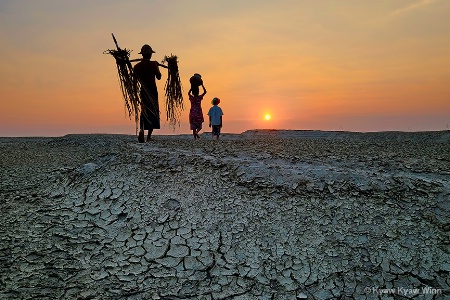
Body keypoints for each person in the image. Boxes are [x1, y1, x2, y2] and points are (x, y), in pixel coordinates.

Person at [133, 44, 162, 142]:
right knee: (153, 111)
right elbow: (159, 77)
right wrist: (157, 67)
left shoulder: (137, 66)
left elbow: (134, 81)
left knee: (144, 111)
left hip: (143, 91)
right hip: (152, 90)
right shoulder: (153, 64)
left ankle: (142, 130)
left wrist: (135, 94)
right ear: (150, 55)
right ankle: (149, 136)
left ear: (142, 55)